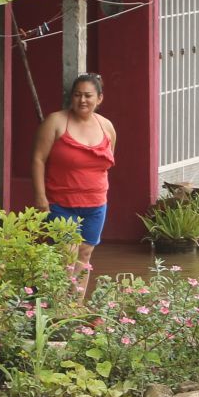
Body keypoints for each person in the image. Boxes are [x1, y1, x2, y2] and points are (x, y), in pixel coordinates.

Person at [32, 73, 115, 294]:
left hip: (96, 203)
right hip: (61, 202)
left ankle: (76, 306)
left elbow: (106, 163)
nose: (82, 100)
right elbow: (38, 159)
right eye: (77, 95)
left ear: (99, 99)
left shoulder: (107, 126)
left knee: (85, 253)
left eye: (88, 96)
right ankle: (59, 305)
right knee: (67, 253)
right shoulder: (55, 122)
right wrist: (41, 197)